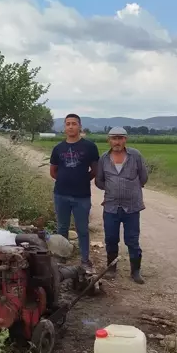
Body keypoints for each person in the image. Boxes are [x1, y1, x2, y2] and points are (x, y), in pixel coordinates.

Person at [94, 126, 148, 284]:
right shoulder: (104, 158)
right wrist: (112, 189)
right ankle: (111, 269)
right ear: (108, 140)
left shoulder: (135, 155)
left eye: (120, 138)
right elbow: (99, 181)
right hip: (111, 206)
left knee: (132, 240)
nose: (117, 141)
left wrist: (130, 189)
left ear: (126, 139)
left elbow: (143, 177)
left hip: (132, 206)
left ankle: (135, 272)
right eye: (114, 138)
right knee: (111, 239)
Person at [50, 113, 99, 270]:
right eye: (68, 124)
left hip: (82, 196)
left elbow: (95, 170)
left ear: (79, 126)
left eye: (74, 123)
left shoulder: (90, 147)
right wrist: (66, 179)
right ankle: (61, 257)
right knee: (62, 228)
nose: (71, 126)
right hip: (61, 194)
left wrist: (82, 179)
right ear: (65, 127)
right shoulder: (58, 148)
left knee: (83, 228)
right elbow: (53, 172)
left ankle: (85, 259)